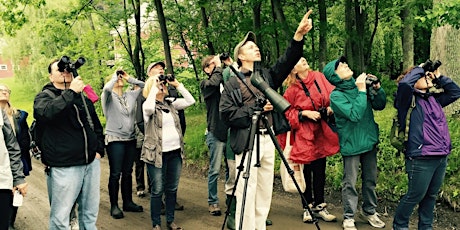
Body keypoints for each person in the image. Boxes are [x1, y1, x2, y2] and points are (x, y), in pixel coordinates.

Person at [219, 10, 313, 230]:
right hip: (247, 140)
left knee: (264, 189)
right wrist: (254, 109)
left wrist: (298, 36)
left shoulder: (267, 76)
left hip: (268, 139)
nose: (256, 48)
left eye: (256, 45)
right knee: (246, 189)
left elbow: (287, 61)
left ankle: (259, 227)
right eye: (250, 47)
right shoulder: (232, 83)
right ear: (240, 56)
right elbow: (227, 115)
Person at [33, 59, 105, 229]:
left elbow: (95, 124)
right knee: (61, 217)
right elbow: (45, 113)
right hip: (64, 165)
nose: (64, 72)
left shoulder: (82, 98)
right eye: (59, 70)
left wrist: (99, 150)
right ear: (51, 77)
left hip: (90, 163)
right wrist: (70, 92)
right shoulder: (44, 96)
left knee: (89, 214)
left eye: (66, 69)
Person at [392, 63, 460, 230]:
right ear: (414, 79)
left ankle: (426, 227)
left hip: (440, 155)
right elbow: (405, 84)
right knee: (415, 195)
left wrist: (438, 77)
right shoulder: (406, 100)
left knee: (430, 196)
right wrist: (421, 67)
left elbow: (456, 92)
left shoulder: (433, 99)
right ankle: (400, 226)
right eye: (423, 76)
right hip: (421, 156)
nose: (427, 77)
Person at [322, 56, 386, 230]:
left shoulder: (360, 86)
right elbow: (355, 115)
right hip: (351, 144)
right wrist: (362, 91)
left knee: (370, 179)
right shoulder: (336, 96)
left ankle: (369, 211)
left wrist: (377, 89)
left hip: (369, 140)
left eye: (344, 63)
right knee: (350, 182)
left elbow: (380, 105)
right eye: (340, 66)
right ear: (334, 76)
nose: (345, 65)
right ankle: (349, 216)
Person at [282, 57, 339, 223]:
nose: (303, 60)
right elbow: (286, 112)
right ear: (293, 70)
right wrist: (304, 114)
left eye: (303, 58)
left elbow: (333, 95)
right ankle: (306, 206)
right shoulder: (292, 89)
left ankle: (320, 205)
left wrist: (330, 108)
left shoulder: (319, 77)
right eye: (298, 60)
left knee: (320, 168)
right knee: (305, 170)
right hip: (304, 133)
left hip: (321, 130)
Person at [142, 73, 195, 230]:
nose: (162, 86)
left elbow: (191, 101)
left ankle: (170, 221)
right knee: (157, 189)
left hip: (174, 153)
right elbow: (150, 107)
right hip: (156, 154)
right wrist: (154, 86)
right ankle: (156, 223)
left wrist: (177, 85)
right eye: (159, 84)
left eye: (163, 84)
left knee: (172, 189)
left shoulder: (171, 103)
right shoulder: (147, 106)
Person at [102, 69, 145, 219]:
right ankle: (114, 205)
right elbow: (107, 88)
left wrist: (129, 78)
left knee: (128, 172)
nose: (120, 78)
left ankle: (128, 202)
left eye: (120, 77)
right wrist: (114, 76)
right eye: (117, 77)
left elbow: (145, 86)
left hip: (130, 139)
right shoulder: (108, 97)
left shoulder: (130, 95)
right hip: (115, 139)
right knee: (115, 173)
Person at [201, 55, 232, 216]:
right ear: (207, 69)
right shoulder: (206, 84)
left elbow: (239, 81)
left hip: (230, 131)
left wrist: (230, 64)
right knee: (214, 170)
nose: (217, 66)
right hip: (215, 131)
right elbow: (213, 82)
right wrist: (219, 66)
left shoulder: (225, 80)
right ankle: (212, 202)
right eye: (213, 64)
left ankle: (230, 201)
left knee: (231, 169)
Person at [0, 84, 32, 229]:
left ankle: (10, 222)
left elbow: (15, 144)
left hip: (8, 167)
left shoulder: (16, 115)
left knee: (14, 194)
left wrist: (17, 176)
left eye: (6, 91)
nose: (4, 93)